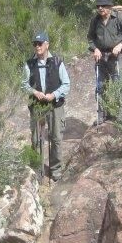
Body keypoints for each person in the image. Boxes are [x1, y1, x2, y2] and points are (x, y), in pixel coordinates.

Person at [21, 32, 69, 181]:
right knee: (36, 139)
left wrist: (54, 95)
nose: (37, 47)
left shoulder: (58, 62)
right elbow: (23, 84)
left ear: (47, 44)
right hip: (37, 107)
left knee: (56, 137)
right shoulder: (29, 64)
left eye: (40, 43)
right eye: (35, 44)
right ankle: (38, 170)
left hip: (55, 106)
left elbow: (66, 85)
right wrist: (35, 92)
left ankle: (55, 170)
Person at [87, 0, 122, 123]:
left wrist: (120, 46)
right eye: (98, 6)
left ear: (110, 6)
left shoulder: (119, 18)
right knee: (100, 86)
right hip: (101, 57)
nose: (100, 8)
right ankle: (102, 114)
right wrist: (95, 49)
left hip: (116, 56)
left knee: (119, 84)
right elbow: (90, 38)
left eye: (103, 5)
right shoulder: (95, 20)